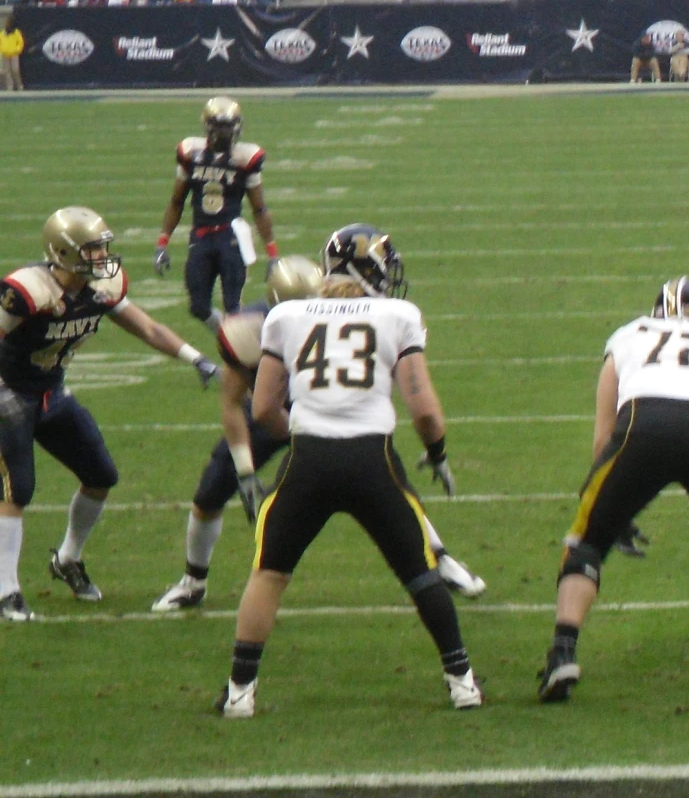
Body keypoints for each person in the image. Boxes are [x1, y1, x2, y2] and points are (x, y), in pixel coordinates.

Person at [218, 225, 481, 716]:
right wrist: (437, 451)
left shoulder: (287, 315)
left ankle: (239, 693)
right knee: (419, 572)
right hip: (371, 459)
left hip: (308, 458)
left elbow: (263, 409)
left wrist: (298, 429)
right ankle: (462, 680)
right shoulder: (397, 315)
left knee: (269, 573)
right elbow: (422, 407)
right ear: (369, 269)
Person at [153, 256, 484, 612]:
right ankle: (193, 581)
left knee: (388, 483)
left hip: (326, 408)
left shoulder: (341, 318)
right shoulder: (249, 330)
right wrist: (246, 471)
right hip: (269, 413)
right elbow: (234, 404)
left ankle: (442, 559)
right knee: (209, 494)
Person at [539, 278, 689, 700]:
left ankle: (563, 652)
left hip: (642, 427)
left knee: (588, 541)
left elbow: (603, 440)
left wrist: (615, 508)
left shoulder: (629, 335)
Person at [0, 209, 222, 616]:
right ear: (64, 251)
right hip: (8, 391)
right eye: (93, 247)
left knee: (100, 475)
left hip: (50, 390)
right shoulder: (28, 290)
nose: (103, 254)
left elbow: (147, 327)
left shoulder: (100, 286)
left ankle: (66, 559)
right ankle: (5, 591)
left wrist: (196, 358)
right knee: (18, 488)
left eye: (103, 245)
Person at [154, 98, 279, 326]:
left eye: (229, 125)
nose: (225, 131)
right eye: (219, 125)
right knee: (198, 307)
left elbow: (259, 209)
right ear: (207, 125)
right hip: (201, 235)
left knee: (233, 307)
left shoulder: (246, 158)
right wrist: (163, 242)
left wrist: (272, 253)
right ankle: (235, 339)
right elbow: (176, 201)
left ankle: (237, 347)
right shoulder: (191, 153)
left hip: (232, 236)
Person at [0, 13, 22, 92]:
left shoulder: (16, 32)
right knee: (7, 71)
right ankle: (10, 87)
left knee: (15, 69)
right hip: (5, 54)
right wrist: (2, 49)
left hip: (14, 54)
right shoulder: (3, 33)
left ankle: (19, 85)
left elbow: (20, 43)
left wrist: (17, 50)